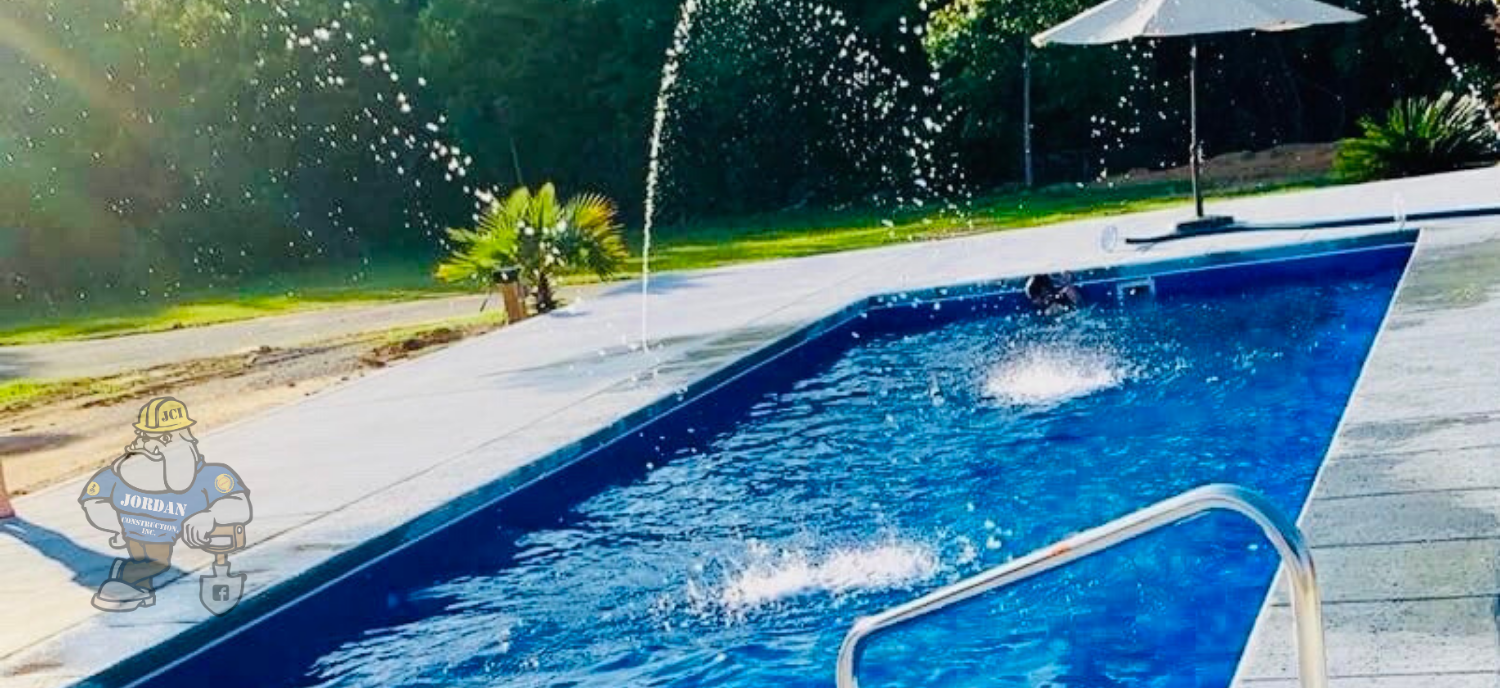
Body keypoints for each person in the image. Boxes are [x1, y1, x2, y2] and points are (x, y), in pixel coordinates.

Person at [78, 397, 252, 612]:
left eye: (172, 438)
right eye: (158, 438)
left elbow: (238, 505)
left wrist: (209, 516)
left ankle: (138, 582)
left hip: (198, 544)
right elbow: (94, 501)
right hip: (148, 539)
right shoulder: (123, 477)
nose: (164, 445)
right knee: (154, 558)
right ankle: (134, 582)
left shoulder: (208, 476)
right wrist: (121, 522)